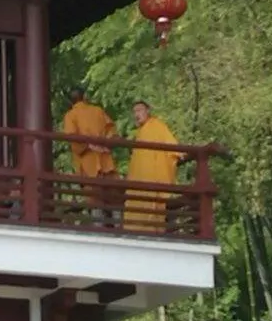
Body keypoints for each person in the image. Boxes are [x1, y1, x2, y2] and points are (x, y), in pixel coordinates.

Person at [123, 101, 183, 233]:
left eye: (140, 110)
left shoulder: (157, 125)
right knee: (137, 203)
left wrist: (178, 154)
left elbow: (170, 143)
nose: (137, 114)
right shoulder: (140, 133)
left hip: (153, 176)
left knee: (152, 205)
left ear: (148, 111)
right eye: (135, 112)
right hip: (140, 177)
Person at [62, 87, 119, 223]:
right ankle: (119, 227)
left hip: (88, 164)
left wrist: (88, 146)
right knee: (115, 199)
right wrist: (105, 144)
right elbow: (112, 132)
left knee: (94, 202)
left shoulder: (70, 115)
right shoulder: (98, 111)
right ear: (85, 97)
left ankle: (99, 229)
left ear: (70, 101)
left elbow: (72, 138)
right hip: (105, 160)